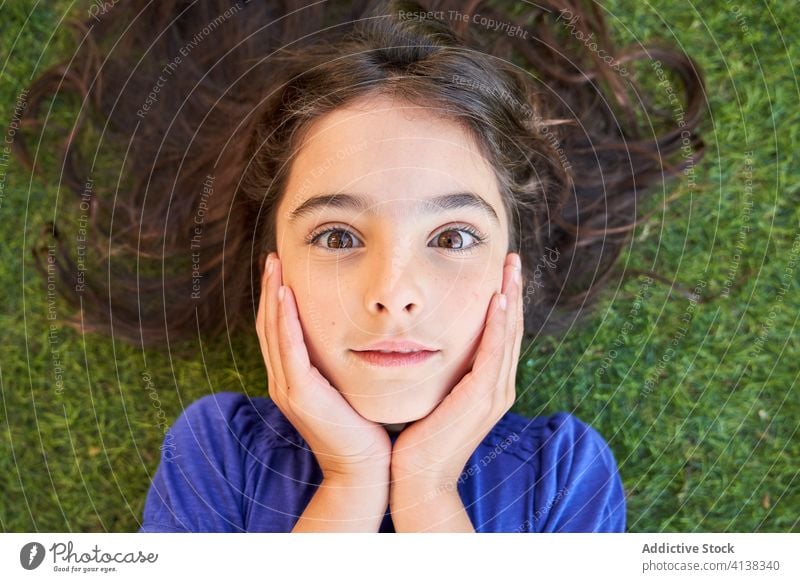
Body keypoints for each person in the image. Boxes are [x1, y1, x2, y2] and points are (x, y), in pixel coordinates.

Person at [16, 0, 705, 532]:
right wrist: (350, 479)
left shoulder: (564, 474)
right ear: (273, 266)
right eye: (340, 236)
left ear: (511, 274)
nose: (394, 293)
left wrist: (431, 486)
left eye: (454, 236)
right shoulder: (217, 454)